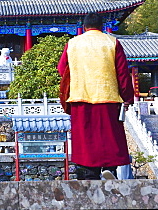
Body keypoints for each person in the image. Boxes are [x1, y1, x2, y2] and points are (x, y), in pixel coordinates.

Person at [57, 13, 134, 180]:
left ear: (84, 27)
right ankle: (109, 169)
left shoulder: (73, 44)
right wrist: (127, 97)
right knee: (108, 135)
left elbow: (62, 68)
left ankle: (88, 172)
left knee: (86, 138)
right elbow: (122, 73)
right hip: (108, 96)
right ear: (101, 26)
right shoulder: (112, 42)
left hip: (80, 96)